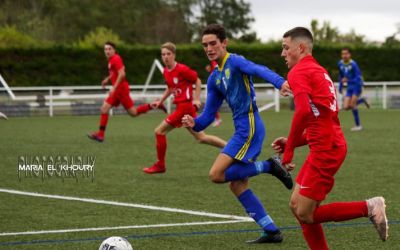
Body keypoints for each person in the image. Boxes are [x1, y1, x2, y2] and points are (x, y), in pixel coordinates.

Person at [273, 27, 388, 249]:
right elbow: (322, 120)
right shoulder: (319, 71)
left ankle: (370, 207)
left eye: (286, 48)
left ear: (301, 47)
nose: (282, 53)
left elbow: (304, 112)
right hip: (328, 144)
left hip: (326, 150)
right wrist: (294, 142)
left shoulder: (298, 72)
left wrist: (289, 152)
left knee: (306, 213)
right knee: (296, 205)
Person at [182, 24, 293, 244]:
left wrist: (280, 83)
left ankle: (269, 166)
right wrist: (193, 123)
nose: (209, 48)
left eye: (213, 43)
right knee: (238, 184)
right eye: (205, 45)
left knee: (216, 174)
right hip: (241, 129)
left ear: (224, 43)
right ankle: (271, 231)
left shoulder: (236, 61)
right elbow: (207, 117)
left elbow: (258, 69)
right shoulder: (214, 78)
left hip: (249, 127)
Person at [143, 42, 227, 174]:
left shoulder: (182, 69)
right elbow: (170, 88)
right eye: (163, 54)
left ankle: (160, 165)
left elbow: (197, 80)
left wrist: (196, 98)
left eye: (168, 54)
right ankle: (231, 148)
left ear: (174, 55)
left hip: (185, 107)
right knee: (201, 138)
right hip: (183, 108)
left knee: (159, 131)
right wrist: (161, 101)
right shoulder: (166, 71)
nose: (165, 57)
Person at [88, 41, 166, 142]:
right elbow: (117, 72)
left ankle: (100, 135)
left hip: (120, 89)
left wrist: (114, 87)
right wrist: (107, 80)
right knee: (130, 112)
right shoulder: (112, 60)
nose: (107, 51)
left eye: (109, 49)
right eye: (105, 49)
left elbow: (122, 74)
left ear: (114, 50)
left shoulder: (115, 59)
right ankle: (155, 104)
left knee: (108, 109)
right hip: (119, 89)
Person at [338, 48, 369, 131]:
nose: (344, 55)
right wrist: (340, 86)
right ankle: (362, 100)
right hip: (349, 87)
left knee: (352, 105)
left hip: (357, 85)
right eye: (343, 54)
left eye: (346, 54)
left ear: (349, 55)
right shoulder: (340, 64)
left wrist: (348, 80)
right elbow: (341, 76)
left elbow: (358, 77)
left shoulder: (354, 64)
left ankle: (358, 125)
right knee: (346, 107)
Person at [205, 60, 222, 127]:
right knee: (212, 103)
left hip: (216, 86)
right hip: (215, 85)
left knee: (212, 103)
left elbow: (217, 72)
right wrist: (210, 70)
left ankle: (217, 119)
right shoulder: (214, 61)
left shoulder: (214, 61)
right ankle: (216, 119)